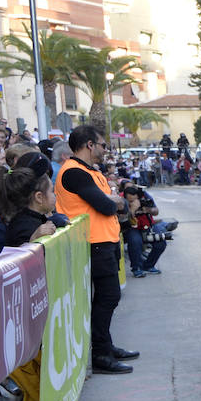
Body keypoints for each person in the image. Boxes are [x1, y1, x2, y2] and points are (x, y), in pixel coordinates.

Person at [54, 125, 137, 374]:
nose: (105, 149)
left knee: (106, 298)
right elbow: (108, 205)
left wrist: (115, 201)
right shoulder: (74, 172)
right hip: (92, 243)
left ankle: (105, 346)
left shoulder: (91, 171)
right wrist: (114, 201)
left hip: (105, 241)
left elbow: (119, 205)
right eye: (102, 145)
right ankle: (100, 353)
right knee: (108, 297)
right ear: (89, 145)